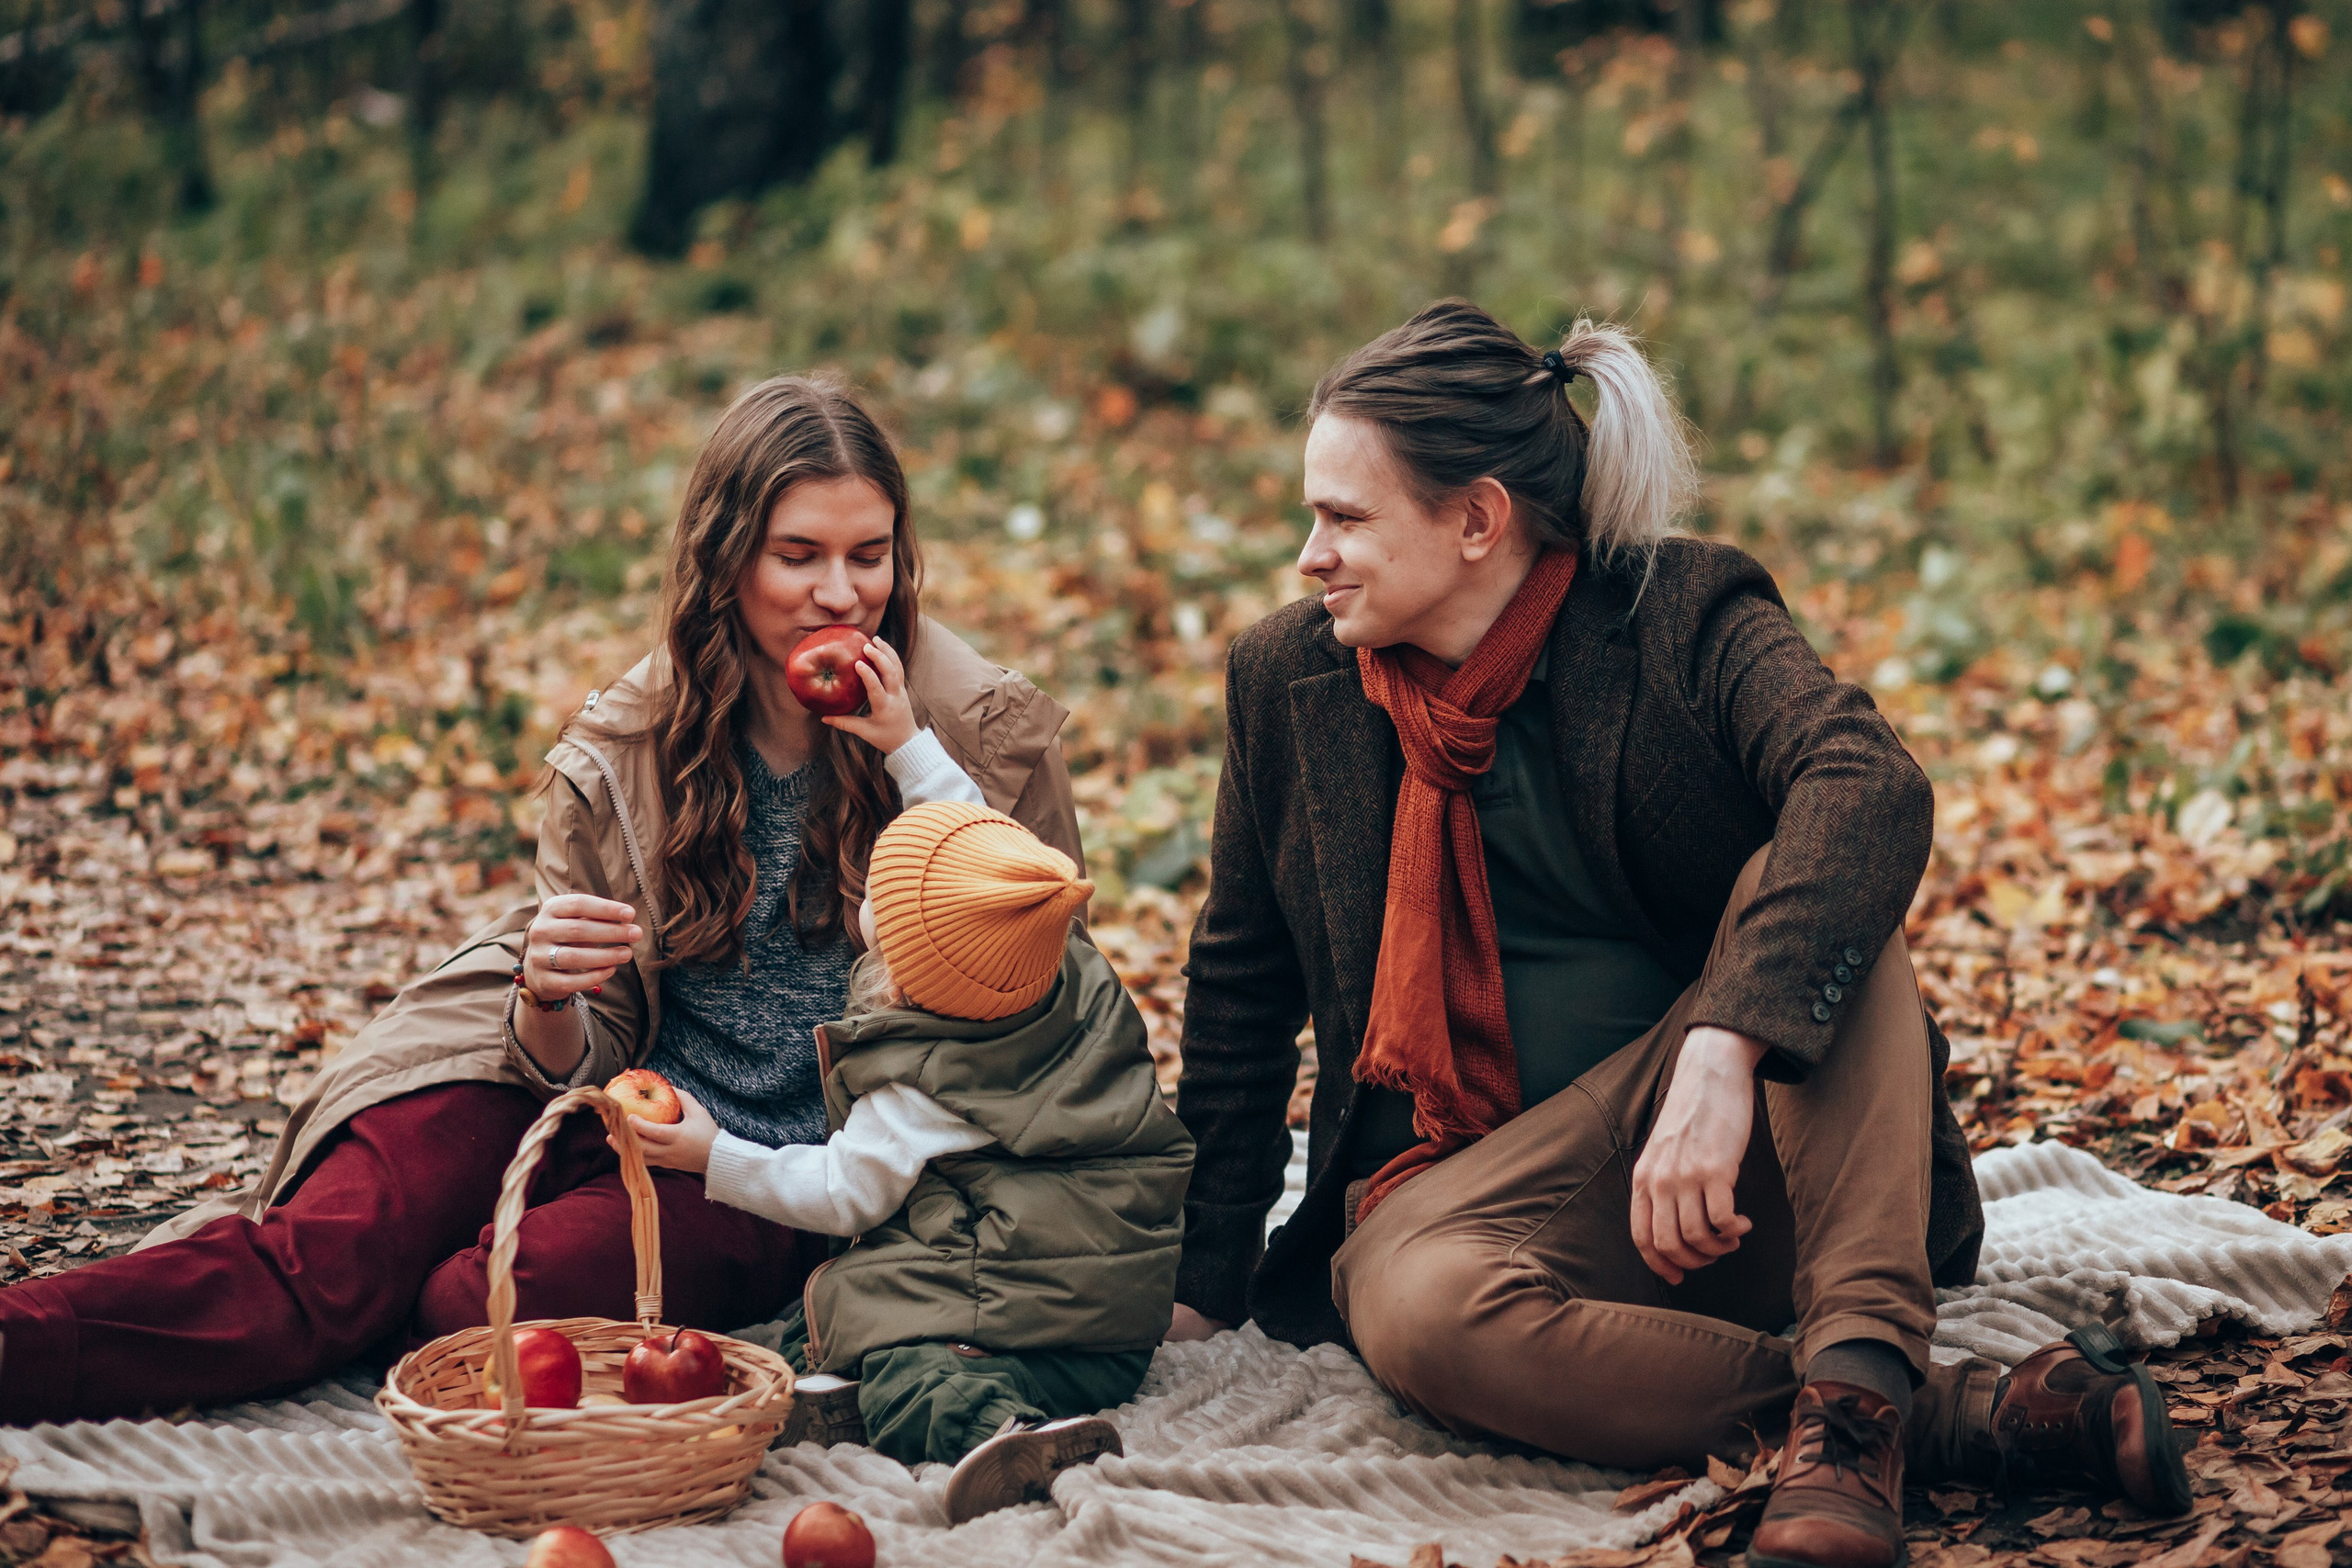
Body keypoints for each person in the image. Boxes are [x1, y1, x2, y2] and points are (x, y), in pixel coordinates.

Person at [1168, 301, 2190, 1568]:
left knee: (1815, 863)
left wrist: (1723, 1042)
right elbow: (1241, 983)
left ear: (1479, 518)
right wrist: (1204, 1279)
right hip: (1480, 1199)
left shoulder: (1677, 614)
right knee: (1413, 1312)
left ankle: (1860, 1367)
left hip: (1739, 1169)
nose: (1308, 554)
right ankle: (1920, 1417)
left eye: (1345, 517)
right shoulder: (1290, 680)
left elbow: (1871, 782)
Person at [0, 376, 1084, 1424]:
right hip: (590, 1092)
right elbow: (587, 1043)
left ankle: (383, 1308)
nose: (841, 594)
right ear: (724, 560)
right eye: (796, 555)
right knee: (335, 1250)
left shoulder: (979, 742)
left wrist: (911, 769)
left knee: (479, 1308)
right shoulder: (629, 746)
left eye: (869, 554)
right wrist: (547, 998)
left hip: (757, 1171)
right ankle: (28, 1351)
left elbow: (1036, 1012)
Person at [626, 798, 1192, 1521]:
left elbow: (842, 1193)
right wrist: (907, 743)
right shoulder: (1069, 970)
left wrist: (716, 1156)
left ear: (902, 974)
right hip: (1116, 1327)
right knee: (834, 1315)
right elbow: (986, 862)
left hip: (1024, 1315)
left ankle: (1003, 1435)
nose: (864, 895)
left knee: (902, 1361)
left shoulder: (920, 1084)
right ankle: (846, 1386)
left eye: (882, 903)